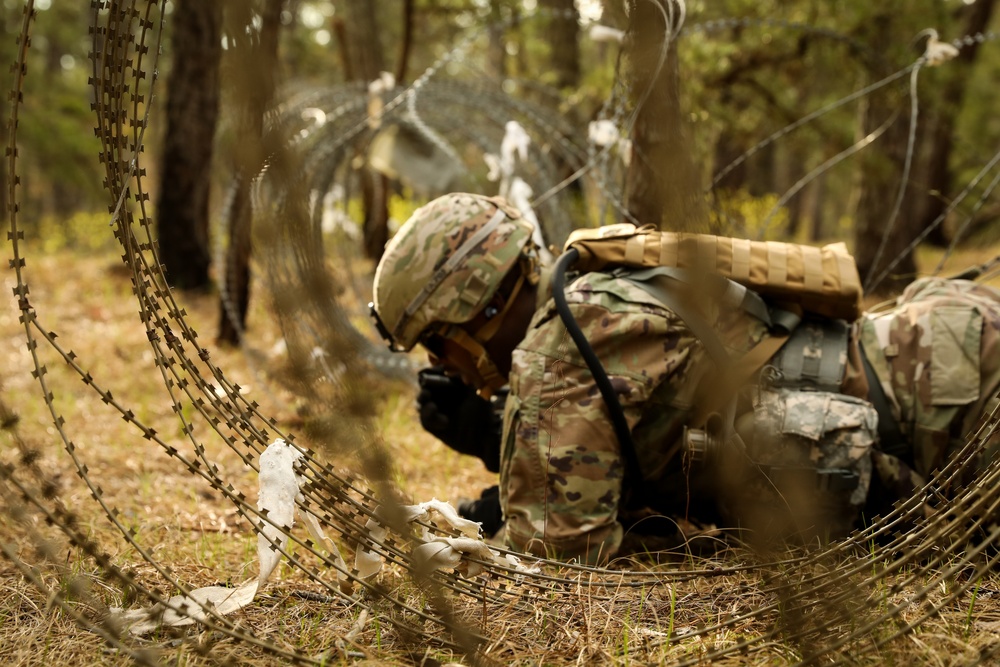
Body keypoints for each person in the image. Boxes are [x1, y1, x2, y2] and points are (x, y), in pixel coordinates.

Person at [370, 192, 1000, 564]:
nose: (437, 364)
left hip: (946, 420)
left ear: (471, 314)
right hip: (940, 343)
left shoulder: (556, 356)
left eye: (435, 343)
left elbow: (557, 558)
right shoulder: (596, 280)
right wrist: (502, 444)